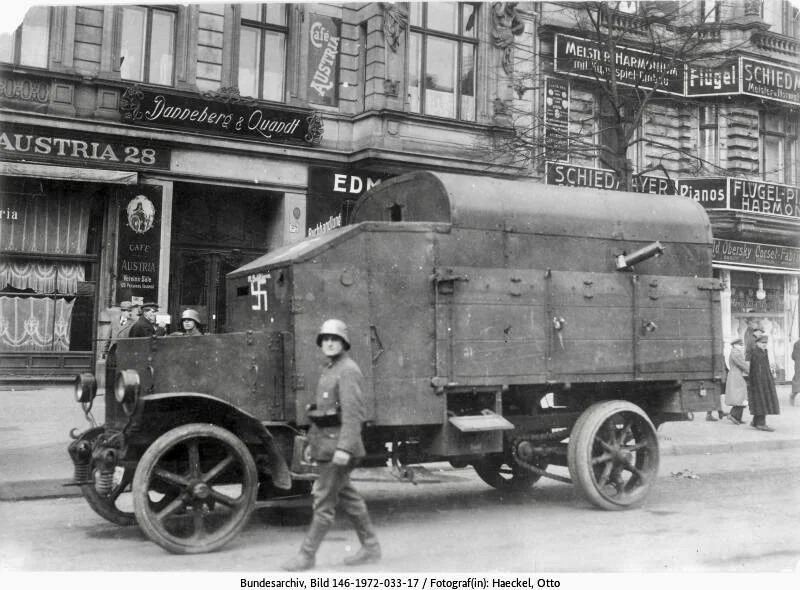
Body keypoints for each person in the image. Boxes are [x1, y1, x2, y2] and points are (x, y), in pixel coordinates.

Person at [282, 319, 380, 571]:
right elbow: (326, 411)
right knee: (348, 497)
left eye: (334, 339)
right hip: (327, 447)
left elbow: (353, 414)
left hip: (338, 450)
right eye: (325, 339)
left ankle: (307, 555)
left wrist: (344, 449)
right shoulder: (331, 368)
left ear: (343, 343)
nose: (329, 343)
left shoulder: (347, 370)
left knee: (323, 503)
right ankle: (371, 547)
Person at [747, 334, 780, 432]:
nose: (764, 345)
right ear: (757, 343)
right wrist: (760, 381)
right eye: (762, 343)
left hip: (764, 378)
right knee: (761, 399)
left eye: (766, 343)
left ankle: (755, 421)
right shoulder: (756, 353)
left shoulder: (763, 351)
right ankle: (761, 424)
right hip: (759, 380)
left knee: (761, 399)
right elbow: (756, 369)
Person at [725, 338, 749, 425]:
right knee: (740, 396)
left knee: (741, 397)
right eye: (739, 345)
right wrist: (750, 371)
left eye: (742, 345)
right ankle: (733, 415)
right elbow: (742, 364)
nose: (741, 346)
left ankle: (738, 417)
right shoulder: (736, 353)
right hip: (736, 376)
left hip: (736, 375)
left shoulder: (736, 352)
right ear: (734, 345)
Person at [791, 339, 800, 406]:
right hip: (799, 366)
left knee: (797, 383)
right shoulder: (797, 343)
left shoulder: (796, 343)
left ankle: (792, 397)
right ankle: (792, 397)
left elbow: (793, 356)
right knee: (798, 383)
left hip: (798, 366)